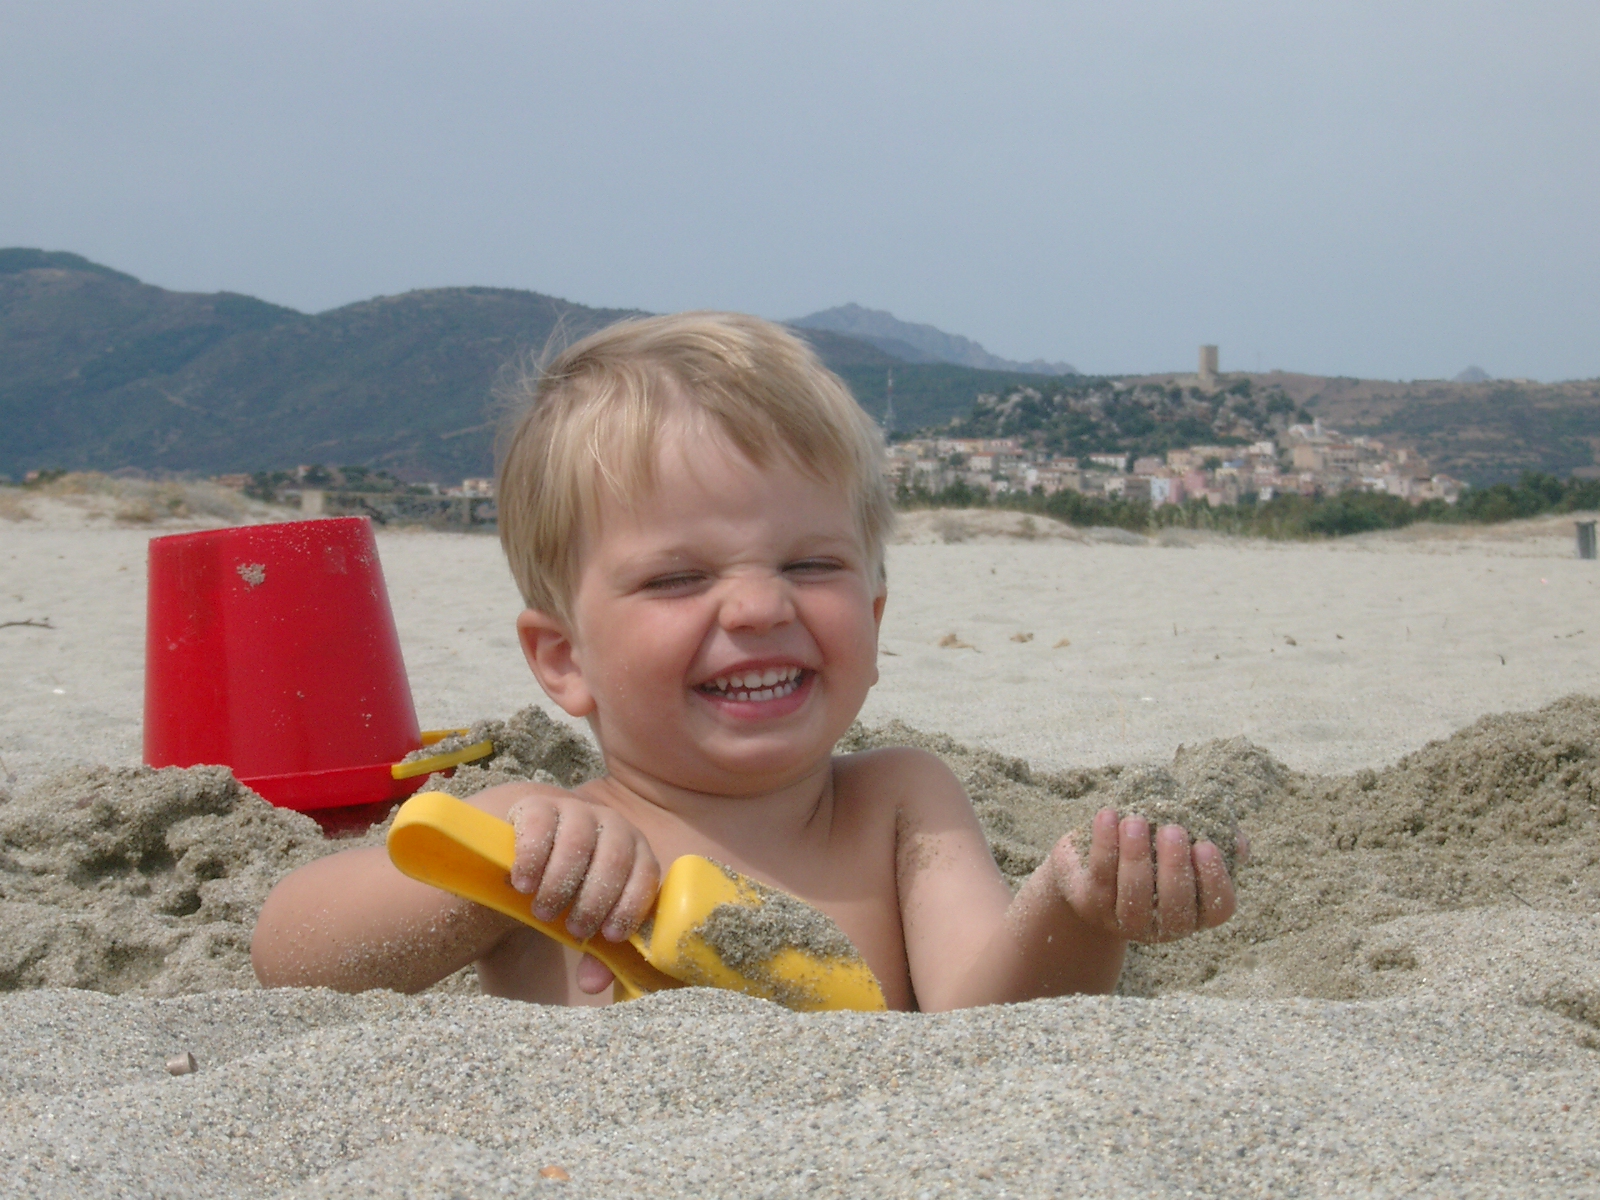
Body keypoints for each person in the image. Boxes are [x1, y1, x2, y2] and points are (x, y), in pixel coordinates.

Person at [252, 313, 1238, 1010]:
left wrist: (1075, 914)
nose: (762, 607)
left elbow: (991, 1022)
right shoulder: (553, 845)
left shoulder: (899, 806)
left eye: (811, 565)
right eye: (679, 579)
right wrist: (489, 859)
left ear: (874, 618)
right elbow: (288, 957)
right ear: (563, 660)